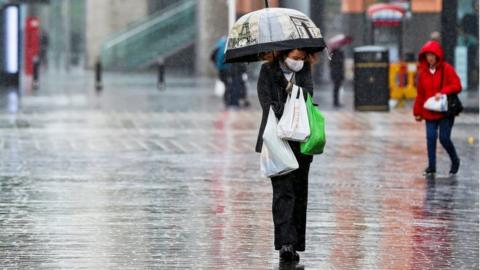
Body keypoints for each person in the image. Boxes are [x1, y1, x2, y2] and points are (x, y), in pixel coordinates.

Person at [256, 48, 315, 262]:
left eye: (302, 58)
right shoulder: (267, 71)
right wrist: (287, 106)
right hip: (277, 139)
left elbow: (308, 95)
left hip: (301, 140)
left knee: (299, 192)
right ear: (284, 54)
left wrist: (292, 88)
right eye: (295, 58)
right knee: (282, 193)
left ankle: (296, 243)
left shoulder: (305, 70)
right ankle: (285, 244)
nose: (299, 62)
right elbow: (266, 102)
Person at [413, 41, 462, 176]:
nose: (430, 58)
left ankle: (455, 160)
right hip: (429, 112)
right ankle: (432, 166)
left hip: (445, 111)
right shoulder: (422, 73)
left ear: (437, 55)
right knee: (430, 137)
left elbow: (457, 85)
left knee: (444, 138)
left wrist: (443, 91)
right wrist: (417, 112)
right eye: (428, 55)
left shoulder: (447, 69)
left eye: (432, 55)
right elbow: (420, 95)